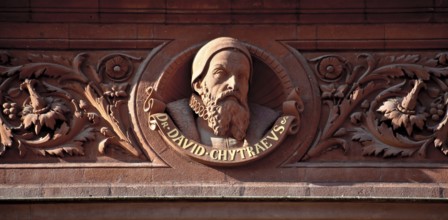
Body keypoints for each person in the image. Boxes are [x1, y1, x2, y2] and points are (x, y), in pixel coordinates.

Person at [166, 37, 279, 149]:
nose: (233, 84)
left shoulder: (268, 126)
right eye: (220, 73)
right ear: (199, 85)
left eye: (241, 77)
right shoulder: (176, 122)